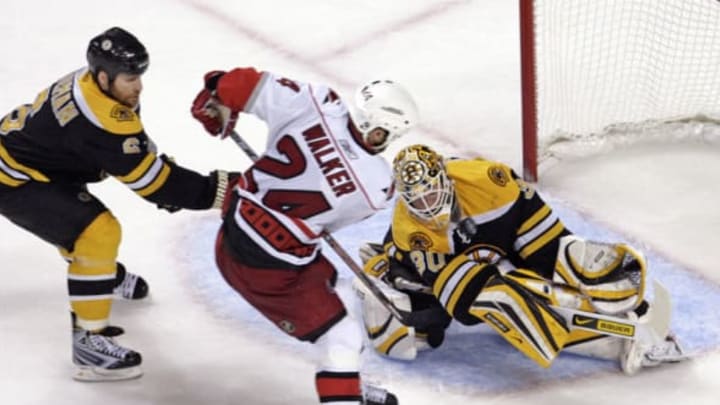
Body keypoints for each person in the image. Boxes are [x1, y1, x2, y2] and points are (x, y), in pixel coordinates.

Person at [0, 27, 233, 382]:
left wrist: (159, 173)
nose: (138, 86)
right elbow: (154, 183)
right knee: (95, 232)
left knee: (77, 225)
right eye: (130, 78)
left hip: (42, 167)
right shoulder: (99, 116)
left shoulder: (97, 85)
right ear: (106, 76)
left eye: (140, 76)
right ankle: (89, 346)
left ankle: (99, 274)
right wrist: (220, 189)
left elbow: (133, 149)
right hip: (15, 181)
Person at [190, 67, 419, 404]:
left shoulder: (318, 102)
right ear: (380, 128)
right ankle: (342, 394)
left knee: (342, 295)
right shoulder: (378, 185)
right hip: (271, 269)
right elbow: (329, 221)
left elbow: (239, 83)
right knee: (342, 336)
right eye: (389, 134)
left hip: (234, 235)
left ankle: (347, 382)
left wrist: (217, 94)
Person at [354, 144, 686, 374]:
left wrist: (557, 255)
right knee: (501, 301)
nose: (427, 204)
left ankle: (634, 309)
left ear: (445, 177)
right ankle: (616, 342)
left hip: (500, 232)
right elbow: (460, 302)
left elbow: (530, 211)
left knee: (567, 257)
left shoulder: (487, 180)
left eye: (431, 191)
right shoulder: (412, 231)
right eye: (417, 199)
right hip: (438, 266)